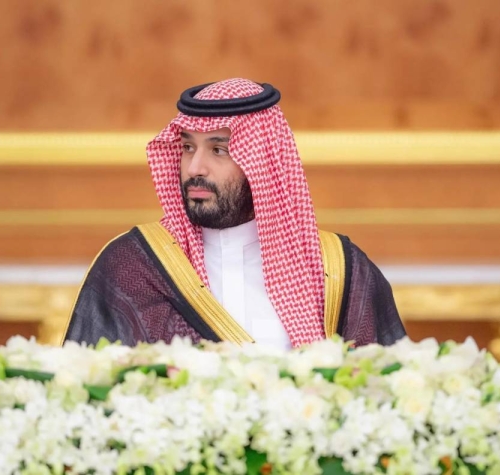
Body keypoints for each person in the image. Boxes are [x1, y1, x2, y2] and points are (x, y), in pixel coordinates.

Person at [63, 78, 406, 350]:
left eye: (218, 149)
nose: (195, 167)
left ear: (261, 162)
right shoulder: (133, 266)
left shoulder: (337, 269)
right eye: (187, 147)